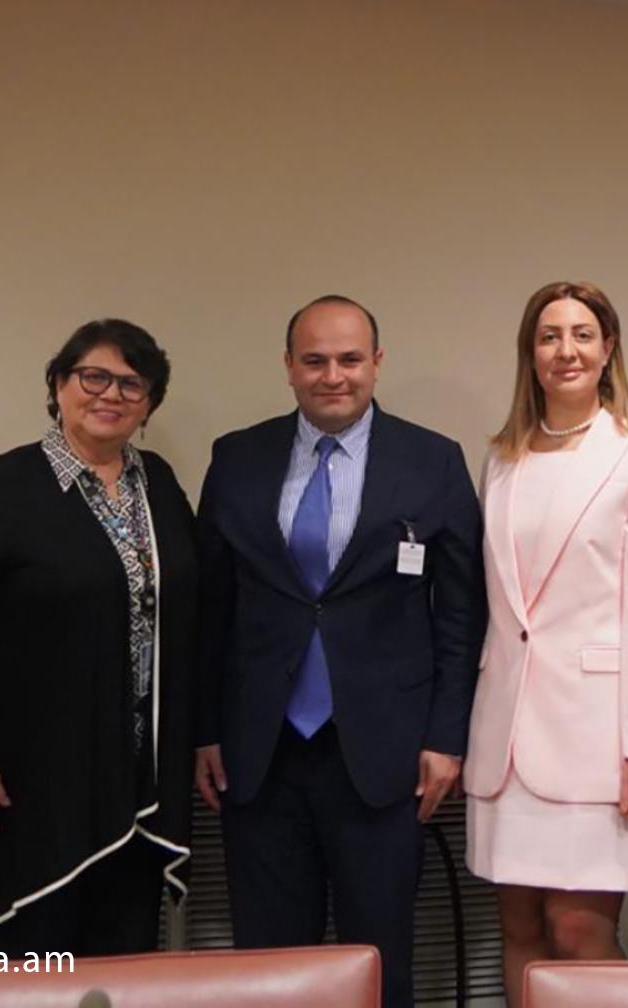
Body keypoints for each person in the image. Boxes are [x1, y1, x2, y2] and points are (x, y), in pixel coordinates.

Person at [192, 295, 485, 1008]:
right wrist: (204, 730)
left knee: (379, 964)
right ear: (289, 366)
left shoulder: (433, 461)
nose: (333, 376)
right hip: (260, 755)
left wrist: (447, 738)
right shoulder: (237, 458)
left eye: (350, 359)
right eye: (315, 360)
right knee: (269, 970)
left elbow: (461, 614)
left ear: (376, 363)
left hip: (385, 756)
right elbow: (210, 609)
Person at [0, 319, 195, 955]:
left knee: (121, 967)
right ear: (59, 385)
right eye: (93, 376)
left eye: (131, 383)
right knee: (33, 964)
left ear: (149, 403)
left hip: (138, 784)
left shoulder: (159, 485)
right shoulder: (3, 487)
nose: (111, 394)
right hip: (32, 779)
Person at [464, 281, 628, 1005]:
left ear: (608, 348)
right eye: (550, 336)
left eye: (583, 335)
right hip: (507, 737)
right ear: (530, 354)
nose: (567, 351)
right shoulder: (503, 458)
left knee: (579, 932)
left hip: (598, 737)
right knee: (520, 929)